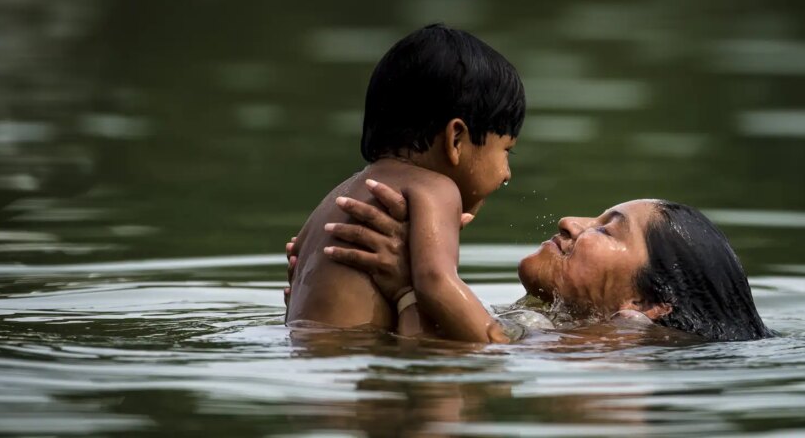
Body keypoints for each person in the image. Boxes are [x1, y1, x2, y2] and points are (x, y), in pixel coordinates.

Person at [288, 180, 774, 342]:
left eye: (606, 228)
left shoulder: (607, 356)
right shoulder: (559, 332)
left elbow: (441, 369)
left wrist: (409, 286)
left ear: (646, 303)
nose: (569, 221)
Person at [284, 23, 526, 343]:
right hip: (359, 368)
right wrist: (497, 340)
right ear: (456, 139)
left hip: (306, 366)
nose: (507, 173)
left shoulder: (336, 198)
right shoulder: (436, 189)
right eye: (506, 150)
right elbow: (436, 282)